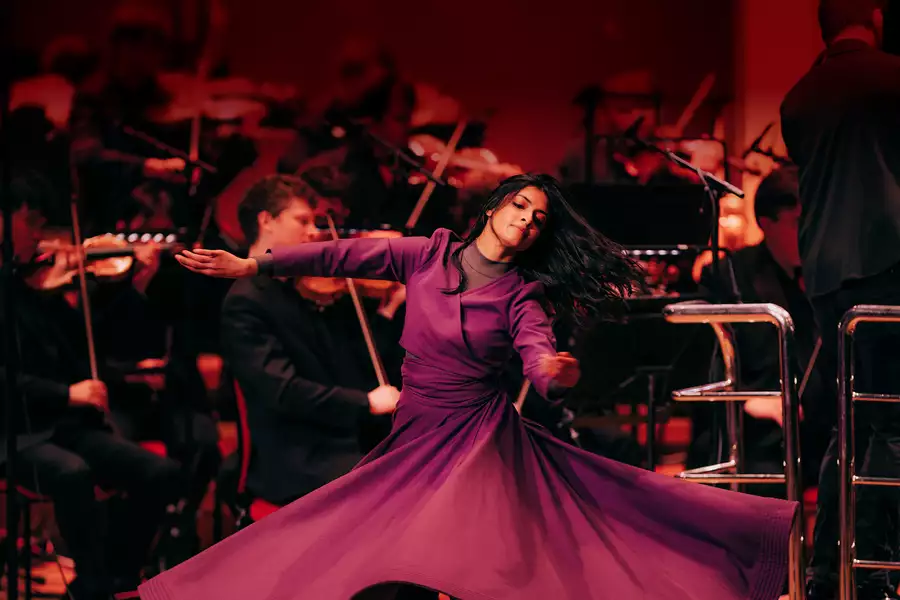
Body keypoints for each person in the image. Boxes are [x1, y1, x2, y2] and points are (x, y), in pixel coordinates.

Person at [134, 174, 796, 600]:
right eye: (521, 208)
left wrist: (555, 371)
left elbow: (539, 358)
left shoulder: (522, 294)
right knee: (372, 559)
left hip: (477, 445)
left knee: (463, 564)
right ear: (495, 207)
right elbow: (343, 254)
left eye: (539, 220)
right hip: (414, 438)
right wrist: (255, 261)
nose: (528, 222)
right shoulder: (425, 255)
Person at [0, 170, 183, 600]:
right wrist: (66, 393)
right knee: (73, 473)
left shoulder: (33, 289)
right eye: (33, 223)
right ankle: (94, 582)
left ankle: (116, 578)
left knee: (159, 473)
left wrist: (118, 288)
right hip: (14, 433)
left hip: (63, 426)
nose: (42, 237)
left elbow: (88, 348)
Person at [780, 1, 900, 598]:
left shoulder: (799, 96)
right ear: (875, 16)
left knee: (849, 427)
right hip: (886, 266)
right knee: (890, 424)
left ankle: (829, 571)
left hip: (826, 275)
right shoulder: (890, 76)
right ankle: (876, 570)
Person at [219, 175, 404, 505]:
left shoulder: (302, 288)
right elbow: (284, 391)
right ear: (267, 221)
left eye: (314, 222)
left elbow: (352, 366)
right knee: (396, 486)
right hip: (296, 454)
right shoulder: (246, 301)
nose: (313, 232)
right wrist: (366, 403)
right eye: (302, 221)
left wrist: (387, 310)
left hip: (340, 438)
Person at [690, 166, 830, 498]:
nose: (811, 233)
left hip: (819, 432)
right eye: (798, 223)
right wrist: (751, 400)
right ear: (766, 224)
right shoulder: (729, 276)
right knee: (764, 476)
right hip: (755, 433)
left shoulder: (826, 276)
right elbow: (702, 365)